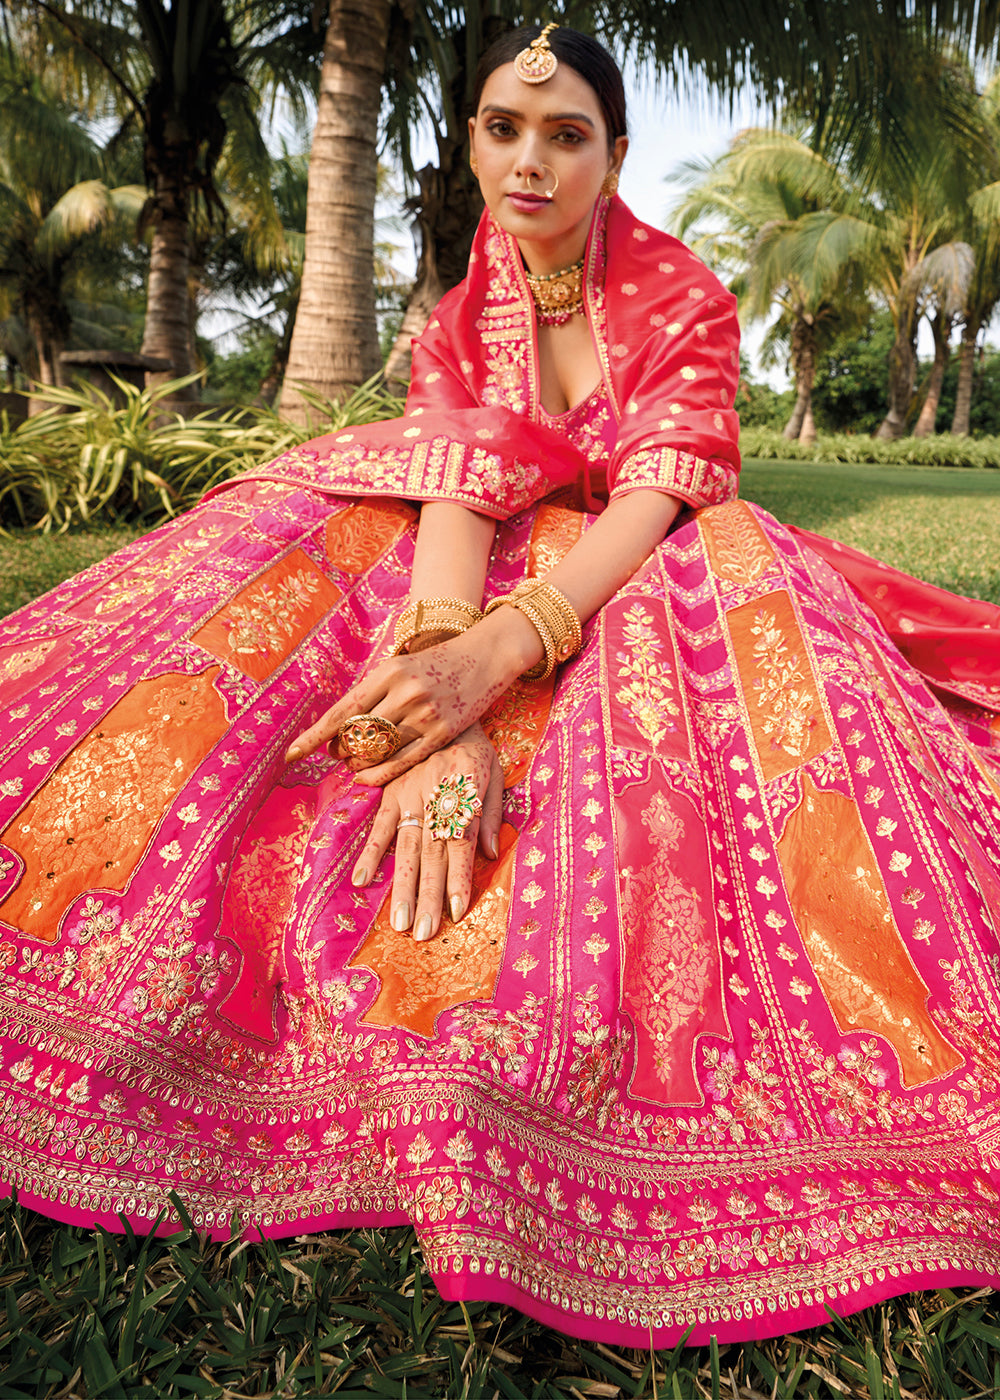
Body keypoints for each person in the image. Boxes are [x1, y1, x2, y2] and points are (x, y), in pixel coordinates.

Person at [1, 21, 999, 1351]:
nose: (529, 161)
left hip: (639, 553)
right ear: (472, 138)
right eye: (501, 128)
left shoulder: (683, 294)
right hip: (484, 555)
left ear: (617, 154)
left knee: (736, 605)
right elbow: (458, 489)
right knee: (269, 573)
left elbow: (658, 494)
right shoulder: (461, 312)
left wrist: (504, 655)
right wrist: (432, 681)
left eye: (566, 134)